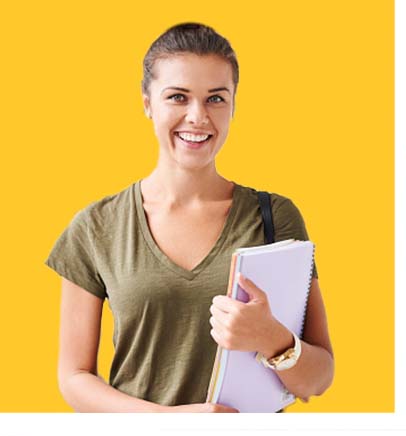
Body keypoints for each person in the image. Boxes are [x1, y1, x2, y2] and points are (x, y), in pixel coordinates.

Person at [48, 23, 334, 412]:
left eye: (216, 99)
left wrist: (271, 337)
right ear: (148, 102)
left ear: (234, 104)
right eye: (178, 97)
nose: (197, 117)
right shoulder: (96, 227)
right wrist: (169, 421)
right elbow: (74, 377)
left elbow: (319, 378)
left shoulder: (274, 217)